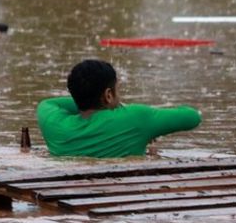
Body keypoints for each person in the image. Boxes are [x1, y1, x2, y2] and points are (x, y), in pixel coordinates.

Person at [36, 59, 201, 158]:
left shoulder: (54, 124)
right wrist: (124, 109)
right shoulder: (136, 118)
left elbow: (49, 103)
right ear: (108, 95)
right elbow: (193, 117)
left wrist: (83, 99)